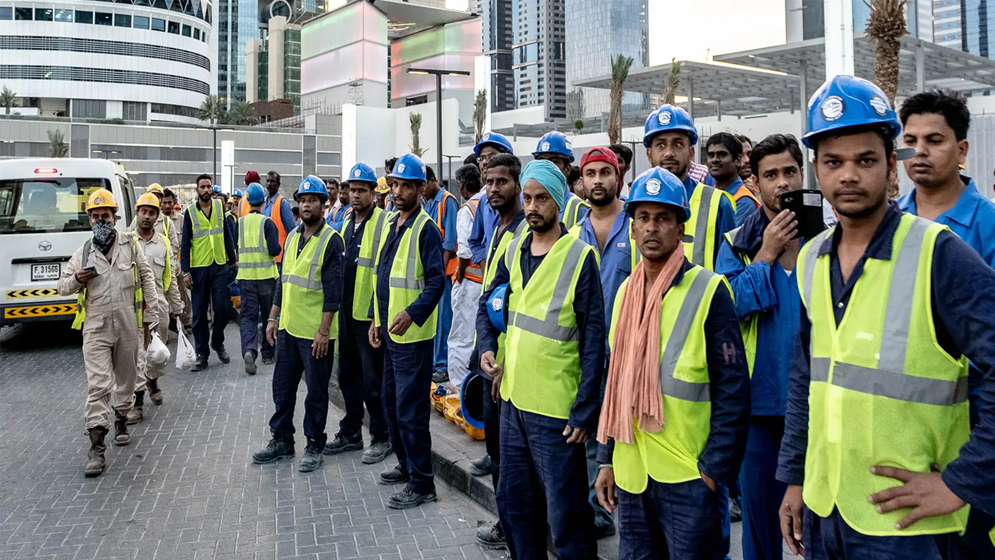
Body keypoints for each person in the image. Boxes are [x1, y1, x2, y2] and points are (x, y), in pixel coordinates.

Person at [777, 75, 995, 560]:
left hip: (908, 525)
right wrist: (795, 476)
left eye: (865, 160)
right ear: (816, 167)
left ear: (890, 166)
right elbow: (805, 376)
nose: (848, 176)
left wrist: (963, 482)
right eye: (833, 162)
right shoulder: (812, 259)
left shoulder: (938, 255)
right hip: (828, 508)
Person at [593, 167, 750, 560]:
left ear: (680, 228)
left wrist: (714, 473)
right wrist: (606, 460)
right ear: (631, 228)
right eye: (643, 218)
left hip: (688, 478)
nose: (651, 228)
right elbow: (616, 379)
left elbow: (734, 392)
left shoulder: (709, 291)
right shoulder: (626, 291)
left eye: (663, 218)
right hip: (632, 471)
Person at [478, 159, 605, 559]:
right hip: (513, 403)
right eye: (528, 198)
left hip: (556, 413)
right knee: (517, 509)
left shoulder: (579, 257)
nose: (532, 207)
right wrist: (486, 347)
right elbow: (488, 305)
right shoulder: (514, 250)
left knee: (567, 518)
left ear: (559, 201)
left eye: (542, 199)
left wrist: (585, 411)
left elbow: (593, 342)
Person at [716, 133, 810, 560]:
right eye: (770, 174)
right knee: (760, 523)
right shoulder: (737, 241)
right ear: (754, 182)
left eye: (789, 171)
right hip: (760, 407)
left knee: (824, 523)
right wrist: (765, 256)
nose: (782, 183)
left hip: (819, 404)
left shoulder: (828, 237)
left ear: (802, 173)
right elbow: (727, 306)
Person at [57, 188, 159, 477]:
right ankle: (97, 447)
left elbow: (147, 278)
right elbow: (62, 286)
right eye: (96, 216)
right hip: (96, 328)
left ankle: (122, 420)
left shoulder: (130, 246)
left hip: (127, 324)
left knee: (126, 382)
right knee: (99, 385)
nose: (101, 220)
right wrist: (77, 279)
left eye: (106, 215)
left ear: (115, 217)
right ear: (89, 220)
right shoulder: (84, 252)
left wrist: (151, 314)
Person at [252, 176, 344, 473]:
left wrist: (324, 331)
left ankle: (314, 443)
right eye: (303, 200)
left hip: (315, 333)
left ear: (322, 204)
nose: (306, 205)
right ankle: (282, 440)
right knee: (283, 387)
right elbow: (283, 281)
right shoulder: (291, 237)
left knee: (316, 392)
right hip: (289, 329)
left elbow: (334, 292)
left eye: (312, 200)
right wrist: (272, 317)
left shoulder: (332, 240)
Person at [368, 153, 445, 509]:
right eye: (394, 184)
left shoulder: (426, 229)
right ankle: (405, 465)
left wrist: (412, 314)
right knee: (390, 403)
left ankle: (423, 482)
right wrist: (377, 321)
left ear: (419, 188)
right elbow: (380, 276)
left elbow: (435, 282)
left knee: (411, 411)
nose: (397, 191)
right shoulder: (391, 223)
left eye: (404, 186)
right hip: (390, 335)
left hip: (413, 338)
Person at [569, 146, 629, 539]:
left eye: (604, 173)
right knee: (592, 432)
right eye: (590, 175)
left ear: (618, 176)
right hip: (588, 353)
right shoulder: (574, 234)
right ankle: (598, 511)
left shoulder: (637, 224)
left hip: (629, 352)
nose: (597, 182)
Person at [472, 153, 527, 551]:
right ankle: (507, 524)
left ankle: (518, 532)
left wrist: (504, 362)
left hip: (511, 369)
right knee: (496, 456)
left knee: (513, 463)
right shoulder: (498, 228)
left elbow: (520, 309)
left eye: (502, 182)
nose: (494, 189)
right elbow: (488, 300)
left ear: (518, 184)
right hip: (493, 361)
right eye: (489, 182)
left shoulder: (525, 233)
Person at [324, 163, 393, 465]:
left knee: (372, 381)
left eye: (361, 190)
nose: (355, 195)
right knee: (348, 376)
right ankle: (352, 431)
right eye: (352, 190)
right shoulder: (345, 225)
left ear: (374, 194)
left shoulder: (385, 223)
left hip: (369, 317)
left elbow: (386, 273)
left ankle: (382, 435)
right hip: (346, 313)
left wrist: (377, 318)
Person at [898, 90, 995, 268]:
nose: (919, 151)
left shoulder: (989, 223)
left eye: (934, 140)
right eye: (910, 140)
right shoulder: (890, 217)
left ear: (961, 151)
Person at [644, 104, 736, 271]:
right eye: (661, 145)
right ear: (650, 154)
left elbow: (732, 273)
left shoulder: (718, 205)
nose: (669, 153)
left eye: (678, 144)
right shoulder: (635, 205)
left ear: (691, 153)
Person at [127, 193, 183, 425]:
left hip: (158, 306)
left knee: (158, 355)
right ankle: (136, 402)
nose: (147, 217)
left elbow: (169, 279)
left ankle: (152, 380)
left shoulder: (164, 243)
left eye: (152, 213)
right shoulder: (126, 242)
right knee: (137, 356)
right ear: (137, 213)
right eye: (143, 212)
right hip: (133, 307)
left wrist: (177, 307)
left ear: (157, 216)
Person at [180, 174, 237, 372]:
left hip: (219, 265)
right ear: (197, 190)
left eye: (208, 186)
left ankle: (217, 342)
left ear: (212, 189)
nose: (206, 190)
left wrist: (233, 258)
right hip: (199, 268)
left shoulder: (220, 207)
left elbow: (226, 234)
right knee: (199, 314)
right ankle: (201, 354)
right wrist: (185, 271)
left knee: (222, 309)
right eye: (202, 187)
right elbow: (185, 243)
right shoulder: (190, 212)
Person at [237, 183, 281, 375]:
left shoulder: (240, 223)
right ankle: (268, 354)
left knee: (248, 317)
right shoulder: (267, 222)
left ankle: (249, 350)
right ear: (264, 201)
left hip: (246, 278)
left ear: (247, 201)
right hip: (266, 278)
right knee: (268, 316)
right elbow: (274, 249)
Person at [420, 165, 459, 383]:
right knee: (434, 321)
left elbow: (450, 242)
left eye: (424, 184)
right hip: (433, 274)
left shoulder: (448, 201)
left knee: (444, 320)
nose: (422, 189)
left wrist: (439, 273)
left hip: (444, 273)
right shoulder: (429, 204)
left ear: (433, 180)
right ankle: (434, 362)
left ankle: (442, 365)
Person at [447, 164, 485, 389]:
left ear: (462, 186)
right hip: (488, 281)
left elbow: (463, 250)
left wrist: (459, 276)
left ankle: (460, 385)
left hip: (470, 281)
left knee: (461, 335)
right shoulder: (490, 202)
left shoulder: (468, 209)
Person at [533, 131, 590, 229]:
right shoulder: (528, 204)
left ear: (567, 169)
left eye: (554, 162)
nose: (547, 167)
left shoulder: (579, 209)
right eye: (543, 162)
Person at [706, 132, 760, 226]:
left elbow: (732, 240)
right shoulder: (708, 194)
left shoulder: (744, 202)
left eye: (722, 154)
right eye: (711, 155)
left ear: (738, 160)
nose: (714, 160)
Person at [161, 187, 192, 333]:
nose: (167, 206)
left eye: (170, 202)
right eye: (165, 203)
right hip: (159, 265)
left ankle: (186, 321)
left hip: (176, 265)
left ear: (174, 202)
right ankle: (169, 322)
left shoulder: (181, 219)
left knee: (181, 294)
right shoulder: (156, 220)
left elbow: (185, 243)